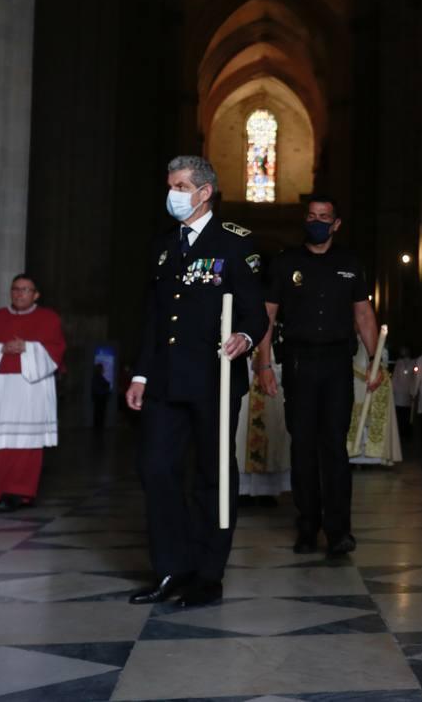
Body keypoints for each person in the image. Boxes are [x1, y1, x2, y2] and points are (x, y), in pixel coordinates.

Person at [126, 156, 268, 608]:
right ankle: (173, 567)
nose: (174, 193)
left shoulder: (235, 244)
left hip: (213, 379)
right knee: (155, 467)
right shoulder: (163, 247)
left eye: (182, 185)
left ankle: (208, 573)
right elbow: (153, 317)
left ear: (205, 192)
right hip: (166, 381)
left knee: (212, 476)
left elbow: (254, 313)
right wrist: (141, 373)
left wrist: (245, 338)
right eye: (171, 184)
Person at [261, 194, 382, 557]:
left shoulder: (350, 263)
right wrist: (263, 364)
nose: (317, 221)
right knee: (303, 448)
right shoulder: (285, 263)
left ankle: (339, 530)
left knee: (334, 448)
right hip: (298, 362)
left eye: (324, 217)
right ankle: (307, 526)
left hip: (336, 365)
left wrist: (376, 361)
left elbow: (363, 316)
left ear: (336, 223)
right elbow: (266, 317)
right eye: (312, 215)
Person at [0, 274, 66, 511]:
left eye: (26, 290)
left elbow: (56, 350)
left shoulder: (48, 318)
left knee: (23, 444)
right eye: (16, 289)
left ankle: (17, 492)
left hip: (29, 390)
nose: (19, 294)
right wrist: (0, 348)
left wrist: (27, 347)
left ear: (36, 294)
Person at [240, 329, 291, 504]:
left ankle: (266, 490)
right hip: (242, 359)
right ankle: (241, 489)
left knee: (270, 422)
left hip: (269, 359)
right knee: (240, 428)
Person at [347, 337, 402, 466]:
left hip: (370, 385)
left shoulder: (374, 344)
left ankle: (375, 456)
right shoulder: (349, 340)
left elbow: (381, 363)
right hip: (354, 386)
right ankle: (352, 454)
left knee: (370, 419)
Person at [391, 345, 415, 442]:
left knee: (407, 415)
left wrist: (413, 391)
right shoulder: (398, 362)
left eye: (405, 350)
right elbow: (395, 377)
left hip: (407, 392)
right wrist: (392, 390)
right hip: (398, 393)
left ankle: (407, 433)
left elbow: (414, 378)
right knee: (399, 414)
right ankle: (399, 433)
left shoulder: (413, 362)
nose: (403, 352)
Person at [91, 363, 111, 430]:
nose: (103, 370)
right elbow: (98, 388)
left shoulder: (97, 377)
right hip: (100, 398)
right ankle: (98, 429)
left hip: (100, 398)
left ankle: (98, 428)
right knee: (99, 414)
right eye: (102, 368)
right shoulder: (98, 377)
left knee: (99, 414)